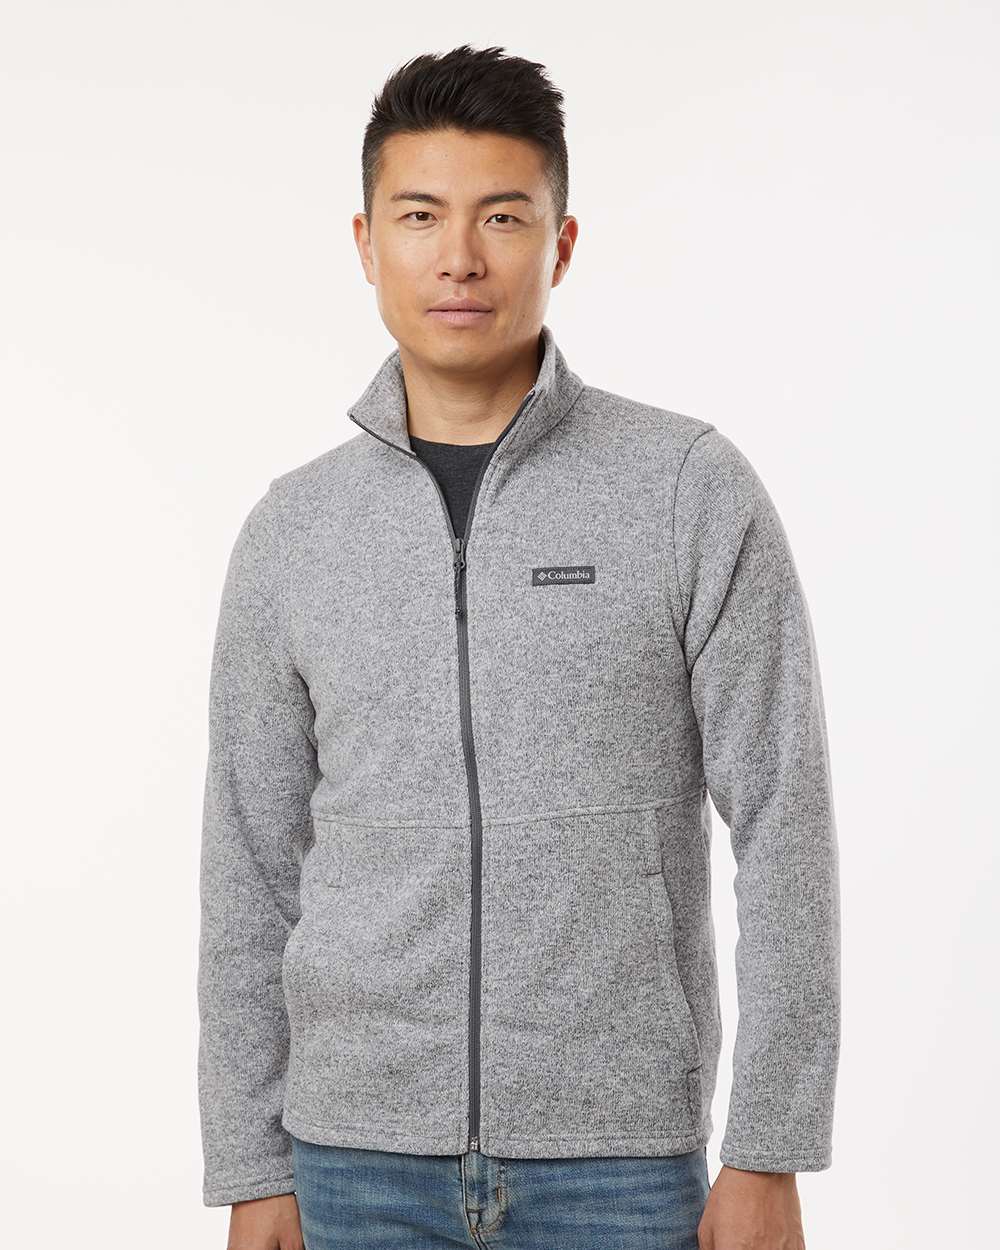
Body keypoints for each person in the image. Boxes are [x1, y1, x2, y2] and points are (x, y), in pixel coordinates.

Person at [197, 42, 841, 1250]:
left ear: (561, 241)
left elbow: (783, 822)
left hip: (620, 1167)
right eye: (420, 216)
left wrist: (769, 1145)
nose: (459, 256)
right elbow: (249, 865)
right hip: (351, 1165)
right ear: (365, 242)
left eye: (501, 215)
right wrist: (249, 1158)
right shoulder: (294, 531)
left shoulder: (687, 490)